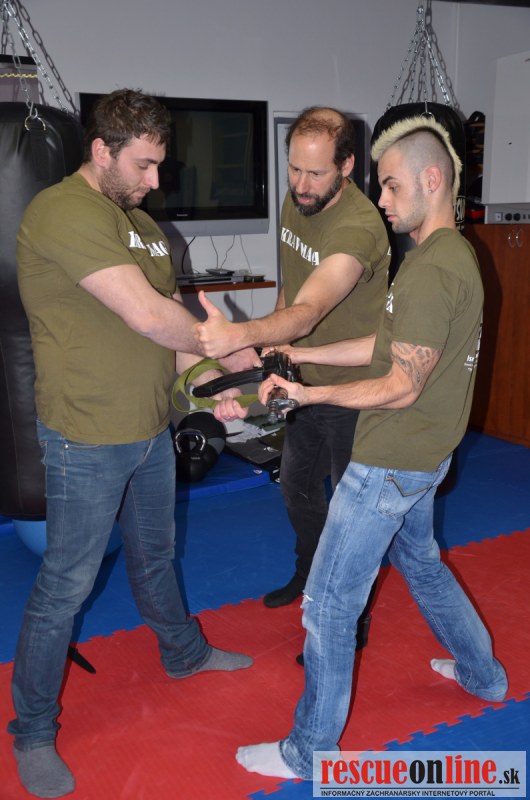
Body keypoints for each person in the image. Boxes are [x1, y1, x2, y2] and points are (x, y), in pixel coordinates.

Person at [235, 115, 508, 781]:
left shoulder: (432, 272)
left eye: (391, 186)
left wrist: (307, 395)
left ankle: (307, 752)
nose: (381, 200)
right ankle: (484, 675)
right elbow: (384, 346)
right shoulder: (447, 256)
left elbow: (400, 384)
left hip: (389, 462)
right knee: (423, 566)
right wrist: (299, 353)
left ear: (432, 180)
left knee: (328, 606)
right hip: (424, 458)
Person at [9, 88, 256, 800]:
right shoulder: (60, 211)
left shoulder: (145, 227)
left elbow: (174, 339)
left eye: (159, 165)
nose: (154, 180)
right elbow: (147, 316)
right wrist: (231, 341)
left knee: (156, 555)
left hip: (150, 430)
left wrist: (215, 383)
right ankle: (32, 730)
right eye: (143, 165)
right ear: (101, 150)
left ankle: (183, 653)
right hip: (85, 434)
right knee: (66, 583)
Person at [194, 107, 390, 630]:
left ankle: (347, 618)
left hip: (354, 390)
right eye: (294, 169)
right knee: (296, 486)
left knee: (351, 512)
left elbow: (310, 309)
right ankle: (310, 575)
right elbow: (292, 288)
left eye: (316, 173)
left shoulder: (357, 228)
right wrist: (269, 349)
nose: (301, 185)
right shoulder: (298, 200)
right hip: (302, 382)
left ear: (346, 166)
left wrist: (242, 335)